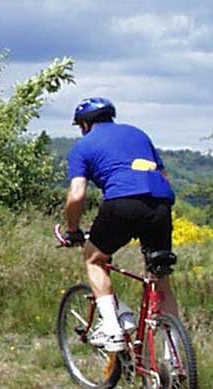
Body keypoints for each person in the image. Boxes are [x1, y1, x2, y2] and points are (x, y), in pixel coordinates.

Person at [61, 97, 180, 352]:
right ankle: (175, 355)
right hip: (160, 204)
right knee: (160, 279)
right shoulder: (138, 134)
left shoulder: (83, 146)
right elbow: (164, 177)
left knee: (94, 259)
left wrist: (72, 230)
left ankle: (113, 329)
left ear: (84, 124)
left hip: (121, 203)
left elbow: (77, 194)